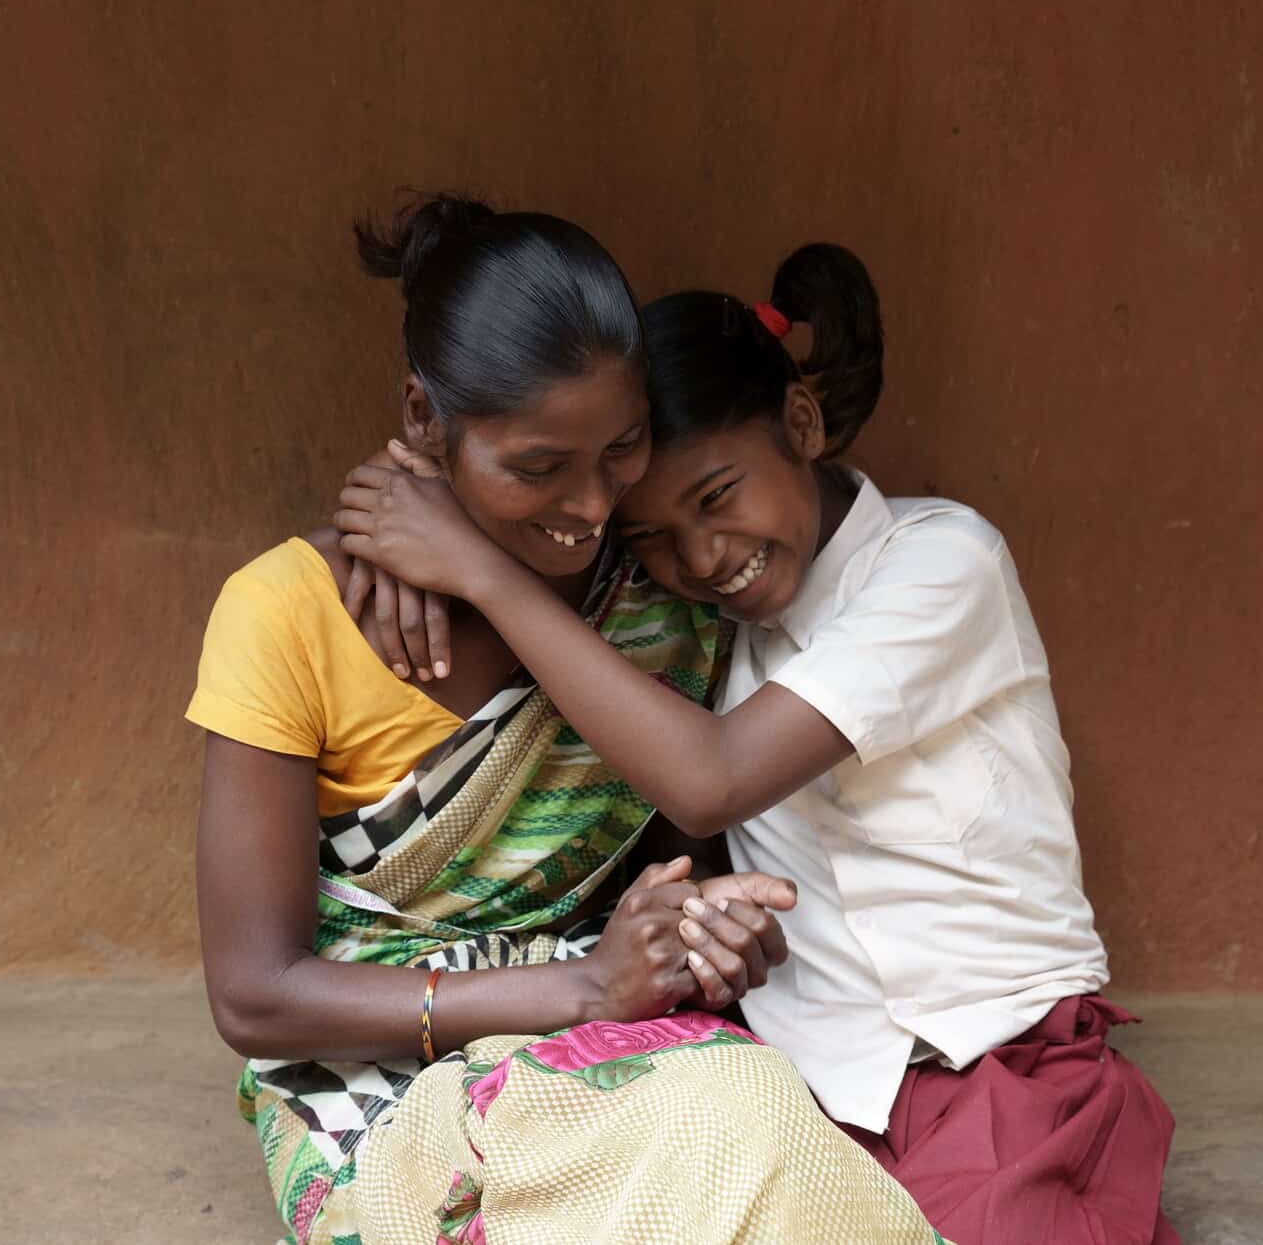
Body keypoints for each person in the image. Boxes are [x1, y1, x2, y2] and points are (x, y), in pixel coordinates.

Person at [336, 242, 1181, 1244]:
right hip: (803, 1090)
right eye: (648, 538)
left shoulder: (940, 563)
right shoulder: (696, 628)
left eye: (716, 498)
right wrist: (404, 522)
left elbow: (711, 779)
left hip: (997, 1059)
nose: (701, 559)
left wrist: (472, 567)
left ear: (800, 422)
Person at [191, 198, 938, 1244]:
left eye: (622, 450)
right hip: (373, 1091)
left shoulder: (654, 599)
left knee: (759, 1134)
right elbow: (256, 997)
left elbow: (678, 869)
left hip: (623, 1041)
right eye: (538, 468)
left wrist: (701, 929)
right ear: (421, 419)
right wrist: (581, 986)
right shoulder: (287, 613)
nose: (591, 506)